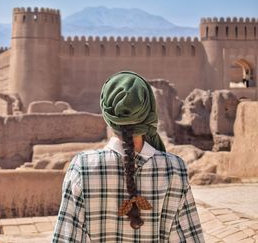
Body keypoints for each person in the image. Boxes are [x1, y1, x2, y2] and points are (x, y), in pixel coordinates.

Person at [52, 71, 204, 242]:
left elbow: (66, 238)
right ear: (149, 112)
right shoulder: (175, 169)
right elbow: (190, 238)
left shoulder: (83, 167)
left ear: (108, 116)